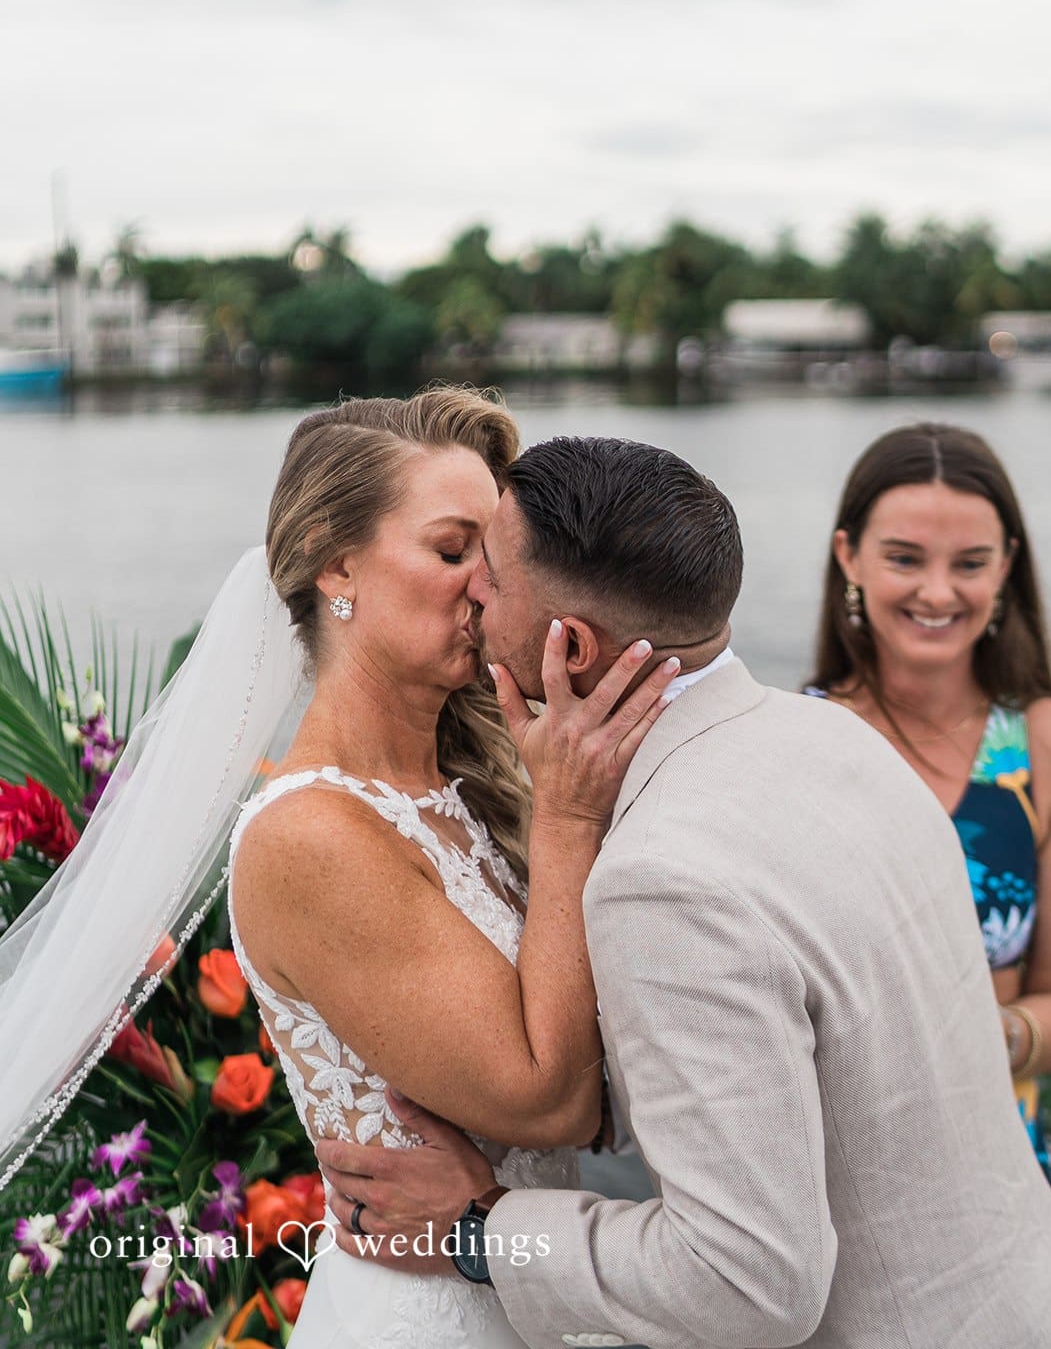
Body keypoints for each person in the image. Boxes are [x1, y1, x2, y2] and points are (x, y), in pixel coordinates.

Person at [318, 434, 1051, 1349]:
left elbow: (746, 1284)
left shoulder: (664, 880)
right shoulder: (839, 739)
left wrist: (479, 1231)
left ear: (571, 645)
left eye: (494, 577)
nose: (472, 587)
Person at [0, 389, 675, 1349]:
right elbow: (549, 1100)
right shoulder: (310, 836)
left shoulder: (479, 788)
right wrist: (568, 810)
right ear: (336, 565)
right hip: (432, 1318)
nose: (489, 589)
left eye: (496, 559)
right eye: (452, 553)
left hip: (530, 1284)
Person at [802, 420, 1051, 1176]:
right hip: (843, 1172)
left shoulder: (1046, 746)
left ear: (1006, 568)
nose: (938, 591)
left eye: (971, 563)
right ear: (848, 554)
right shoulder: (794, 739)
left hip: (1004, 1166)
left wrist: (991, 1035)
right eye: (904, 559)